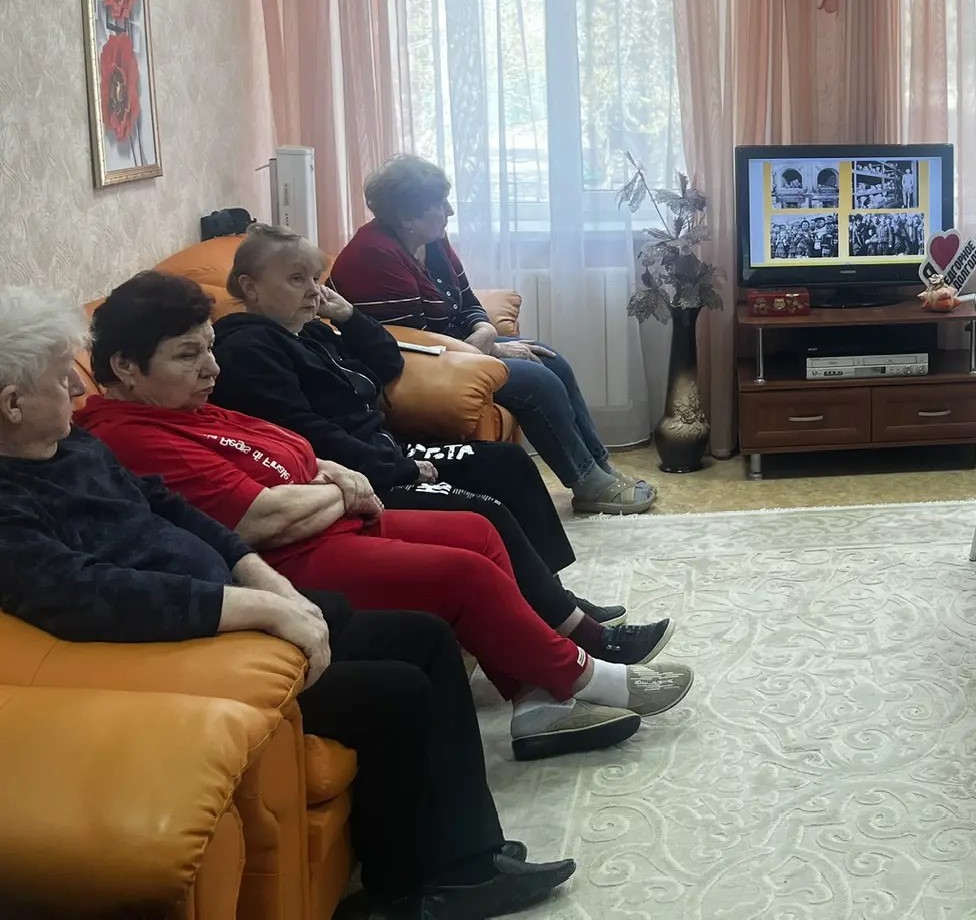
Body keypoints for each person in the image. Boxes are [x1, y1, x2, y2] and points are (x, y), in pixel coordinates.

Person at [0, 288, 579, 919]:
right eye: (60, 379)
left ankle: (465, 859)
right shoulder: (10, 504)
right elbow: (92, 593)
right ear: (11, 404)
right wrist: (258, 609)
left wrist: (263, 580)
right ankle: (411, 892)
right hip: (192, 652)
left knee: (425, 638)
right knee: (396, 690)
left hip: (238, 607)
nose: (78, 391)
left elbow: (170, 507)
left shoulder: (70, 447)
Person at [78, 271, 693, 761]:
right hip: (289, 560)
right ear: (126, 367)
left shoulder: (183, 406)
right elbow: (259, 518)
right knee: (464, 575)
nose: (212, 369)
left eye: (209, 350)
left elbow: (291, 449)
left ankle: (536, 701)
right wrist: (348, 488)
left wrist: (333, 474)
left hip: (330, 519)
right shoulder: (132, 435)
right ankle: (588, 678)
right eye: (188, 356)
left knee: (477, 530)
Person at [212, 224, 667, 665]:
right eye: (296, 280)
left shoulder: (309, 331)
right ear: (251, 288)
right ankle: (580, 634)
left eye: (316, 278)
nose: (313, 291)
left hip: (385, 452)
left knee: (508, 464)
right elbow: (306, 434)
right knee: (485, 510)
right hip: (357, 475)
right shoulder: (249, 350)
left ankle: (552, 599)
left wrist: (348, 316)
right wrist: (400, 467)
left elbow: (388, 362)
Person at [328, 155, 652, 517]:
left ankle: (600, 466)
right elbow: (412, 340)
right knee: (537, 382)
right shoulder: (374, 255)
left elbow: (465, 298)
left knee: (551, 360)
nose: (450, 211)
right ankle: (587, 483)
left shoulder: (430, 240)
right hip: (408, 364)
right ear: (407, 217)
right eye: (440, 204)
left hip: (455, 349)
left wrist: (485, 331)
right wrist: (492, 350)